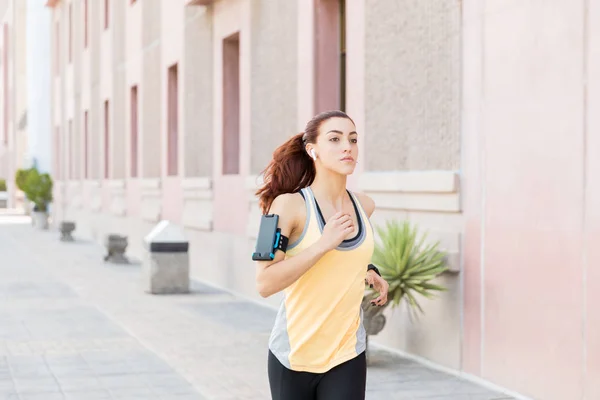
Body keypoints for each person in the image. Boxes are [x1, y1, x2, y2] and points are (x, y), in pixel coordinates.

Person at [254, 110, 389, 400]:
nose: (347, 147)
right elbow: (265, 283)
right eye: (335, 139)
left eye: (353, 139)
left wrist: (369, 269)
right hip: (294, 356)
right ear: (312, 149)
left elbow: (347, 256)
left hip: (346, 353)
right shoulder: (286, 206)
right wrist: (323, 244)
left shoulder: (365, 206)